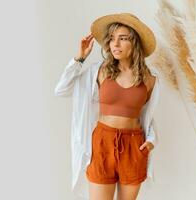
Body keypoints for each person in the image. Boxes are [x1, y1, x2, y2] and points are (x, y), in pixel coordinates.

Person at [54, 13, 160, 200]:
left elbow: (147, 117)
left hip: (134, 146)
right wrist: (80, 58)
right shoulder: (100, 71)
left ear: (134, 42)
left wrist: (151, 140)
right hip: (103, 143)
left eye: (122, 39)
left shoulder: (150, 80)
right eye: (112, 39)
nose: (115, 44)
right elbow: (61, 89)